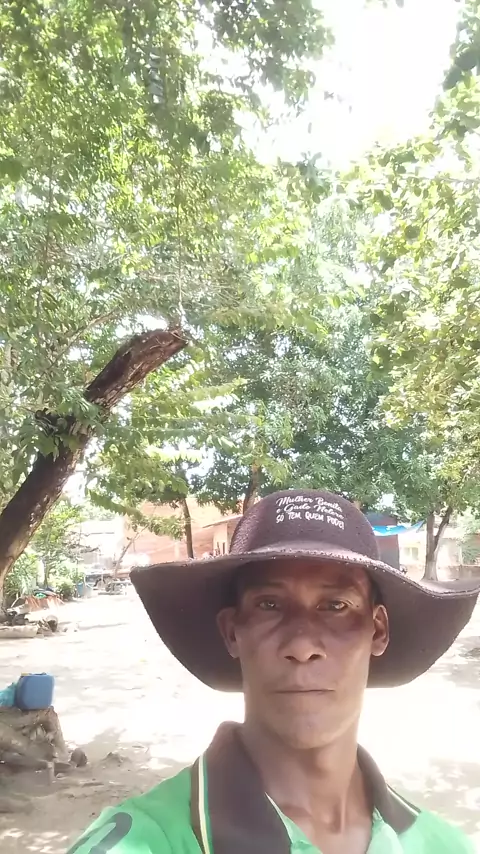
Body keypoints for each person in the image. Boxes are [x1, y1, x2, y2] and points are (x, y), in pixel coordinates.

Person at [69, 489, 479, 854]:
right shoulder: (146, 840)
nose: (301, 646)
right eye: (269, 605)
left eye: (335, 606)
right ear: (232, 632)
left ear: (378, 630)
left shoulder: (441, 844)